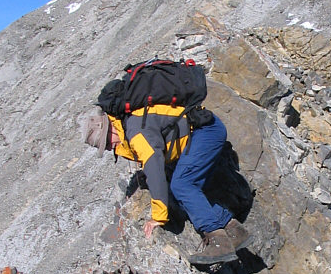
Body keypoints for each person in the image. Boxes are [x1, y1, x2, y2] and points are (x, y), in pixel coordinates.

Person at [83, 103, 251, 265]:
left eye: (106, 142)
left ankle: (218, 241)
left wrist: (158, 217)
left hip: (205, 131)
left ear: (110, 128)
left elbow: (154, 169)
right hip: (201, 132)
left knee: (182, 185)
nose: (108, 148)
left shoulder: (134, 132)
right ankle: (234, 231)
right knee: (183, 190)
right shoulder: (125, 130)